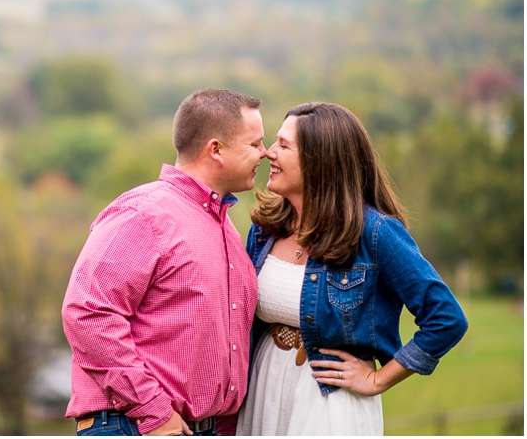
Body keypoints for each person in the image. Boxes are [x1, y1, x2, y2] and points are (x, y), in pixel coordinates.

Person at [237, 102, 469, 435]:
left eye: (284, 145)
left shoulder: (375, 233)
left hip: (329, 400)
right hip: (263, 387)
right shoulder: (265, 229)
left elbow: (446, 318)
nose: (268, 153)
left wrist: (378, 379)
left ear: (321, 161)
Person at [61, 88, 268, 436]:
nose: (265, 153)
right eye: (255, 144)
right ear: (215, 149)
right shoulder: (143, 214)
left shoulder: (225, 225)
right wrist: (153, 410)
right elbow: (87, 312)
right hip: (134, 426)